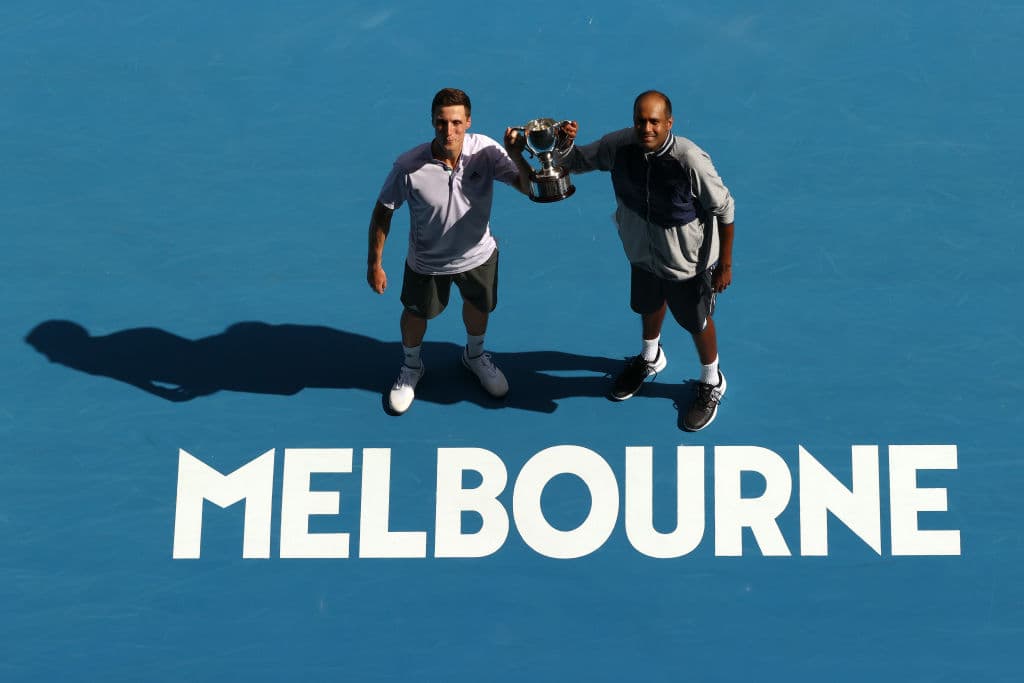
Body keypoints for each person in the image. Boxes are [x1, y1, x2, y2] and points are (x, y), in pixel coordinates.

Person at [559, 91, 736, 431]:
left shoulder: (689, 159)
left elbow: (725, 209)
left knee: (695, 320)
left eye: (655, 121)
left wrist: (724, 265)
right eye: (641, 120)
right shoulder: (619, 145)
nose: (647, 128)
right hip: (641, 250)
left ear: (669, 123)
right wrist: (565, 145)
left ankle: (712, 379)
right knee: (648, 303)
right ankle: (650, 356)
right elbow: (577, 162)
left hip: (686, 262)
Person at [366, 88, 532, 414]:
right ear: (432, 122)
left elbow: (526, 187)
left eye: (456, 122)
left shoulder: (485, 151)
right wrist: (375, 264)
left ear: (468, 122)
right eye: (442, 123)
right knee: (416, 314)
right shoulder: (407, 166)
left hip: (478, 256)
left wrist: (516, 154)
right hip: (427, 262)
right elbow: (383, 211)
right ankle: (412, 366)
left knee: (477, 306)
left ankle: (474, 356)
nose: (449, 131)